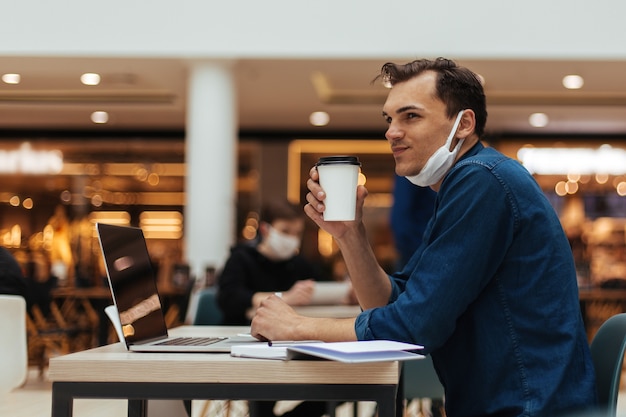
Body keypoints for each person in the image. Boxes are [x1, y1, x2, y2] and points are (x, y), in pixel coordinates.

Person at [250, 58, 597, 417]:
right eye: (389, 119)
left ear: (463, 124)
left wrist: (296, 327)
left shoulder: (482, 181)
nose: (391, 132)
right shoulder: (463, 185)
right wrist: (350, 235)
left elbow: (413, 328)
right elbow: (391, 305)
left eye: (410, 116)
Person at [217, 200, 329, 417]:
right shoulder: (241, 258)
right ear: (265, 229)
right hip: (246, 345)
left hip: (290, 342)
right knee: (263, 387)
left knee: (336, 385)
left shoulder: (300, 264)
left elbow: (321, 288)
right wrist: (284, 298)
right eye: (285, 231)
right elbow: (229, 298)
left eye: (296, 232)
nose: (291, 239)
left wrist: (342, 294)